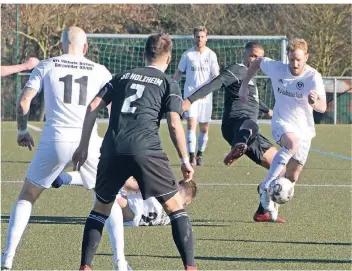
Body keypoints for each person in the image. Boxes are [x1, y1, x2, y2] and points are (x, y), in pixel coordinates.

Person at [73, 32, 197, 271]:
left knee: (100, 209)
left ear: (144, 53)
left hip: (113, 149)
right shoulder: (168, 83)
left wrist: (83, 146)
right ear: (169, 58)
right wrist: (185, 159)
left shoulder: (122, 77)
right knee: (174, 208)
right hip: (146, 150)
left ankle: (86, 267)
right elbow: (173, 123)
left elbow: (92, 107)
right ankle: (190, 267)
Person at [1, 26, 113, 270]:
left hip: (55, 139)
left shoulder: (47, 65)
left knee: (28, 195)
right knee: (106, 198)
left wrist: (22, 131)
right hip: (89, 141)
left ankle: (7, 258)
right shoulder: (101, 71)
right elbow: (114, 112)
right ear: (85, 48)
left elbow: (23, 103)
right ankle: (120, 262)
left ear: (61, 46)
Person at [182, 42, 284, 222]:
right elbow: (215, 83)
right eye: (253, 55)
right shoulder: (237, 69)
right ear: (245, 55)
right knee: (251, 124)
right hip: (235, 124)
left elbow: (251, 100)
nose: (256, 60)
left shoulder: (251, 78)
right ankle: (240, 144)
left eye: (260, 57)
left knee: (281, 167)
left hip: (250, 131)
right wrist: (190, 100)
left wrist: (268, 110)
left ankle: (262, 209)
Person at [239, 38, 327, 221]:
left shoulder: (313, 77)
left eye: (299, 60)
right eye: (292, 59)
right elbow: (256, 62)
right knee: (291, 143)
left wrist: (314, 102)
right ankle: (266, 186)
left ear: (306, 57)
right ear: (287, 56)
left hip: (305, 129)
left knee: (292, 177)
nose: (295, 64)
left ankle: (264, 208)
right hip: (282, 122)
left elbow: (323, 107)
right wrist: (244, 85)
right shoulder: (277, 68)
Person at [173, 26, 220, 167]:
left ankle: (200, 154)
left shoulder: (211, 55)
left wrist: (208, 90)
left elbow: (216, 76)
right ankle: (191, 156)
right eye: (197, 36)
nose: (199, 39)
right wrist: (171, 86)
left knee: (204, 128)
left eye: (202, 36)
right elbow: (178, 73)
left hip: (206, 98)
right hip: (190, 97)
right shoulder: (187, 55)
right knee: (191, 125)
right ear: (194, 37)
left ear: (206, 38)